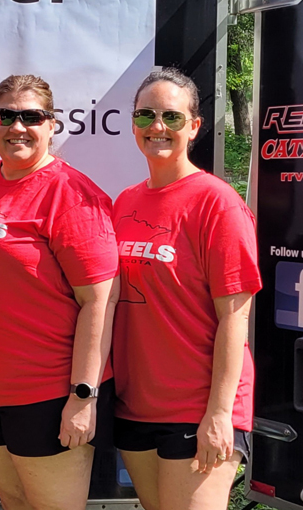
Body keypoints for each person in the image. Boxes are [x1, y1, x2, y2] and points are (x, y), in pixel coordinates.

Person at [0, 74, 119, 510]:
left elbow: (100, 300)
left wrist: (82, 396)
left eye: (31, 116)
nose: (17, 127)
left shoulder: (71, 195)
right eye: (5, 115)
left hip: (47, 393)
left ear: (52, 124)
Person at [112, 68, 260, 510]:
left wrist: (218, 414)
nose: (158, 127)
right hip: (136, 405)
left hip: (198, 407)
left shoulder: (217, 203)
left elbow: (236, 316)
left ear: (194, 126)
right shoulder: (124, 202)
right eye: (146, 115)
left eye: (172, 117)